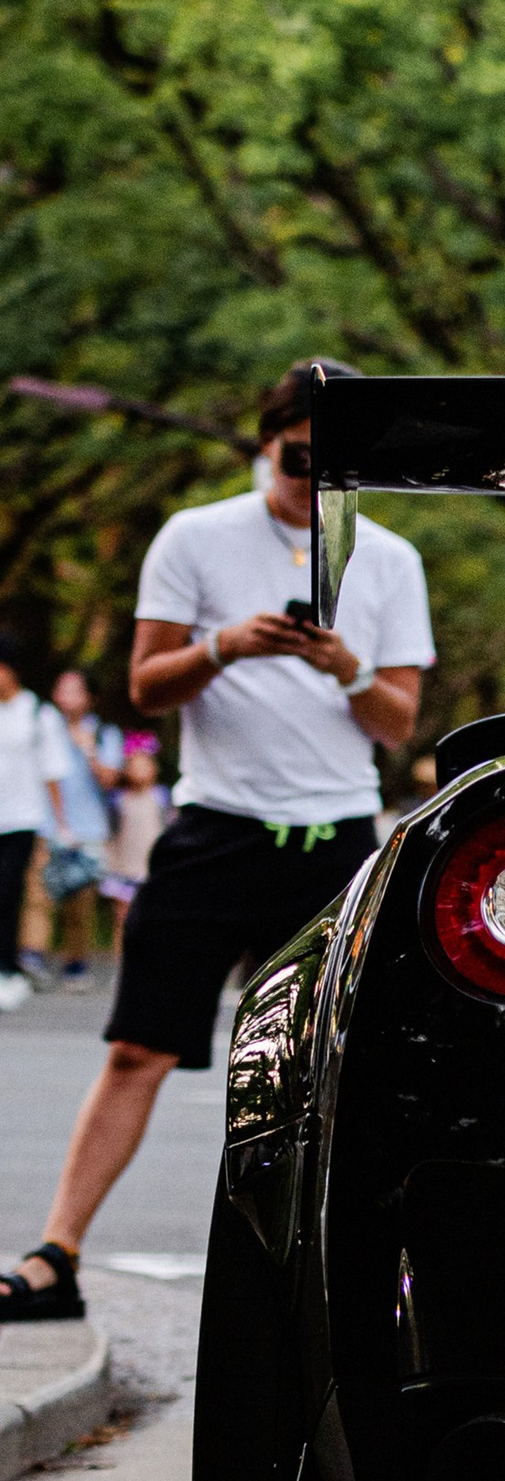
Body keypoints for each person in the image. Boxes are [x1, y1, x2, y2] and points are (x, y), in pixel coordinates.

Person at [0, 360, 432, 1321]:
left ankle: (350, 1281)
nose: (307, 481)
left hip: (334, 841)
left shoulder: (391, 560)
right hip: (216, 830)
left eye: (333, 466)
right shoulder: (195, 538)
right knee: (139, 1048)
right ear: (263, 441)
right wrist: (224, 647)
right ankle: (54, 1254)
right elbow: (148, 685)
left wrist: (346, 666)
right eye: (295, 458)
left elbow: (398, 723)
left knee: (345, 1071)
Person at [28, 668, 120, 987]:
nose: (65, 696)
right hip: (44, 824)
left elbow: (110, 781)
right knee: (37, 895)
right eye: (61, 688)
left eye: (74, 690)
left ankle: (76, 964)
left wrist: (89, 750)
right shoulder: (41, 727)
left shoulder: (104, 733)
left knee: (80, 905)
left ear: (89, 698)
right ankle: (32, 957)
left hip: (89, 830)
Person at [0, 637, 66, 1018]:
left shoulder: (37, 713)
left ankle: (9, 969)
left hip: (23, 818)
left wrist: (60, 824)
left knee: (8, 891)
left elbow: (52, 773)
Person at [98, 734, 168, 940]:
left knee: (152, 920)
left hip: (152, 870)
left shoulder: (161, 798)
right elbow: (111, 834)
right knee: (123, 919)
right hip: (124, 867)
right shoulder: (118, 801)